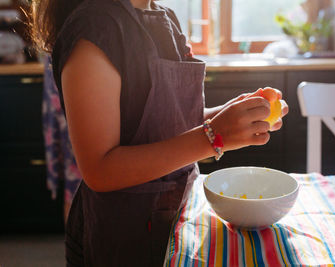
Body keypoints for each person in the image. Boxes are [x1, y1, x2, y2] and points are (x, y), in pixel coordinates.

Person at [30, 0, 288, 265]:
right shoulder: (94, 31)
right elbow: (100, 169)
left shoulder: (165, 19)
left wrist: (230, 114)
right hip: (125, 234)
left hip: (178, 214)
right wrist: (213, 136)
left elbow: (165, 120)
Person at [42, 55, 82, 222]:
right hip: (71, 90)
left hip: (65, 85)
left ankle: (73, 246)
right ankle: (75, 246)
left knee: (73, 184)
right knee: (76, 184)